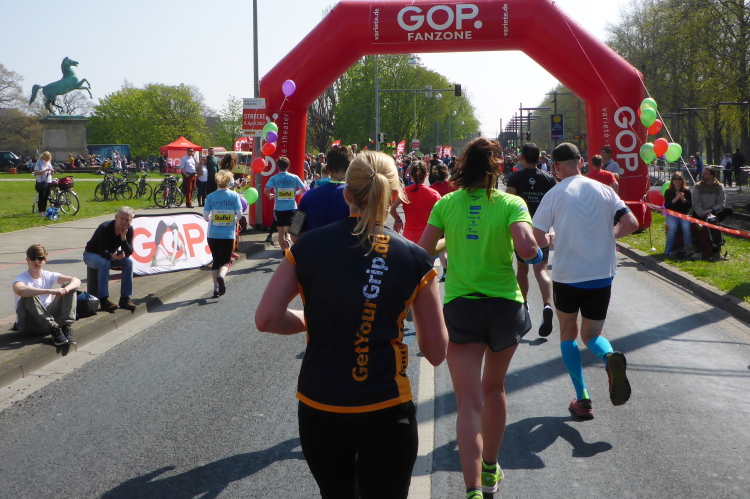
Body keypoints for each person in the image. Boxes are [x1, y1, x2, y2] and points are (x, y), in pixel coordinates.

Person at [255, 151, 448, 499]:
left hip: (319, 403)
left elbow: (266, 317)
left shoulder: (309, 220)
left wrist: (316, 313)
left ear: (347, 192)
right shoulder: (414, 257)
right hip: (385, 406)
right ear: (394, 196)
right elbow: (436, 352)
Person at [419, 138, 540, 499]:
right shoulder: (511, 203)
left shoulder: (445, 204)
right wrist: (540, 250)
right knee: (494, 388)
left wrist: (450, 242)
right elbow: (527, 248)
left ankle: (472, 489)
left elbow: (423, 252)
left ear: (463, 166)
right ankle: (490, 468)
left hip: (462, 308)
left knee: (468, 403)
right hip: (504, 306)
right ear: (498, 168)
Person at [532, 142, 639, 421]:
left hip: (568, 275)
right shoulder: (605, 190)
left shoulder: (555, 193)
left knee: (568, 332)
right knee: (592, 335)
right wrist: (608, 236)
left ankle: (582, 398)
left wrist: (552, 240)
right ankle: (608, 356)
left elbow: (537, 236)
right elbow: (631, 223)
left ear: (556, 167)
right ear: (581, 162)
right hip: (601, 273)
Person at [506, 142, 558, 337]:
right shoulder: (548, 178)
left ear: (522, 158)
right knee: (541, 270)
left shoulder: (515, 177)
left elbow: (508, 203)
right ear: (539, 158)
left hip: (522, 229)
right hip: (541, 230)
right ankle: (547, 305)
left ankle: (524, 305)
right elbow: (556, 203)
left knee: (522, 269)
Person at [13, 244, 81, 345]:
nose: (36, 261)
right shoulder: (21, 278)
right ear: (27, 260)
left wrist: (65, 290)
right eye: (33, 258)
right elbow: (20, 290)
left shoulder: (48, 275)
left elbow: (76, 281)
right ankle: (54, 329)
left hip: (49, 321)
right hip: (28, 325)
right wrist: (50, 291)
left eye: (40, 258)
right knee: (28, 295)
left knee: (70, 286)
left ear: (45, 260)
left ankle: (66, 327)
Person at [83, 206, 137, 313]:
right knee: (104, 262)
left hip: (109, 256)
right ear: (116, 217)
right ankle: (104, 300)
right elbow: (102, 251)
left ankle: (125, 298)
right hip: (91, 255)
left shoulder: (129, 230)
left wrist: (123, 238)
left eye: (127, 220)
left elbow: (129, 252)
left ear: (131, 221)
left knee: (129, 262)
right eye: (121, 218)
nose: (124, 222)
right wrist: (112, 256)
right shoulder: (105, 227)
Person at [295, 145, 354, 238]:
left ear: (328, 170)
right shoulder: (357, 196)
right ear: (351, 169)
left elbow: (294, 232)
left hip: (314, 245)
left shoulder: (308, 196)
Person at [203, 170, 243, 298]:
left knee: (216, 260)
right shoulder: (234, 195)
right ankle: (221, 276)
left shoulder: (210, 196)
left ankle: (215, 288)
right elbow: (240, 214)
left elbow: (205, 216)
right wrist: (233, 220)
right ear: (229, 181)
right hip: (227, 234)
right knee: (226, 261)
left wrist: (210, 218)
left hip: (213, 234)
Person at [389, 161, 441, 244]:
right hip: (427, 236)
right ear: (425, 175)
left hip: (409, 236)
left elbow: (392, 209)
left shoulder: (405, 192)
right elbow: (441, 214)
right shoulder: (434, 194)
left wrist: (398, 220)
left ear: (411, 176)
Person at [264, 157, 307, 252]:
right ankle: (289, 242)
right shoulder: (294, 177)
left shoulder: (274, 178)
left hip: (279, 209)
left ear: (278, 166)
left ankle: (284, 252)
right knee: (291, 231)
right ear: (288, 166)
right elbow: (304, 189)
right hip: (292, 208)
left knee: (281, 232)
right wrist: (295, 193)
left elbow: (266, 189)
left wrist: (269, 195)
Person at [691, 166, 733, 256]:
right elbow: (696, 205)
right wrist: (702, 213)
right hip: (700, 213)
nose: (702, 175)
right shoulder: (697, 187)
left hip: (713, 212)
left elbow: (721, 203)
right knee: (711, 221)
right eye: (702, 173)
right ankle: (714, 246)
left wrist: (711, 210)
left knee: (729, 210)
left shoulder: (719, 187)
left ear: (712, 175)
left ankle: (716, 243)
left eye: (705, 174)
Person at [663, 172, 693, 256]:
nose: (677, 181)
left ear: (682, 180)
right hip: (672, 215)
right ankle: (668, 251)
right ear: (672, 181)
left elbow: (689, 206)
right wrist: (676, 198)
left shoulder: (686, 191)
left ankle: (688, 250)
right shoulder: (668, 192)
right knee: (672, 228)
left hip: (684, 214)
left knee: (686, 228)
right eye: (675, 179)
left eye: (679, 179)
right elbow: (667, 206)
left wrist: (683, 199)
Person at [33, 151, 55, 217]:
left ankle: (44, 211)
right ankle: (40, 211)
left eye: (49, 158)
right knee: (41, 197)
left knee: (46, 197)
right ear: (43, 157)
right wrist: (45, 170)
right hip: (41, 182)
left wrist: (52, 172)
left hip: (48, 181)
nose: (47, 159)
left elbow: (51, 173)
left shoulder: (48, 163)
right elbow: (36, 172)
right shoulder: (39, 163)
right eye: (46, 158)